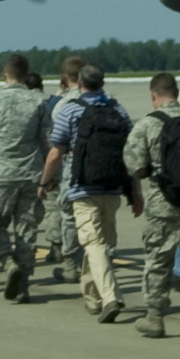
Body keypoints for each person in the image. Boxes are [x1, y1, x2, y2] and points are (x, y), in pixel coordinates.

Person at [42, 61, 147, 321]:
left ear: (79, 84)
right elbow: (130, 155)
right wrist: (135, 193)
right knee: (99, 245)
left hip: (82, 188)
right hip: (112, 188)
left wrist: (44, 182)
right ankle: (91, 297)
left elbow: (56, 152)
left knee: (94, 243)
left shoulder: (70, 110)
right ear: (103, 83)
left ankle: (110, 297)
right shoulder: (119, 111)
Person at [125, 72, 180, 339]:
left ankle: (155, 316)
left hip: (163, 202)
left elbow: (135, 166)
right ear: (176, 93)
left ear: (154, 95)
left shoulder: (146, 125)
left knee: (158, 258)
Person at [0, 54, 57, 302]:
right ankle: (24, 285)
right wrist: (51, 178)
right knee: (27, 232)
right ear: (26, 74)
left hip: (0, 176)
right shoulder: (39, 102)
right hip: (31, 175)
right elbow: (48, 144)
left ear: (4, 75)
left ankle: (9, 264)